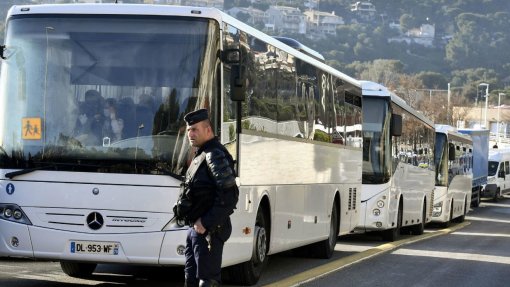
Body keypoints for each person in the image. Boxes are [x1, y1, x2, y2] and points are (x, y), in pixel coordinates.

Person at [174, 109, 239, 287]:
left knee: (207, 281)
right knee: (192, 279)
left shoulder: (214, 155)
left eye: (195, 129)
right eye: (189, 130)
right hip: (196, 229)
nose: (191, 134)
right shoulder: (202, 153)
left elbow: (230, 196)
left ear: (208, 130)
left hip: (209, 231)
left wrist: (206, 223)